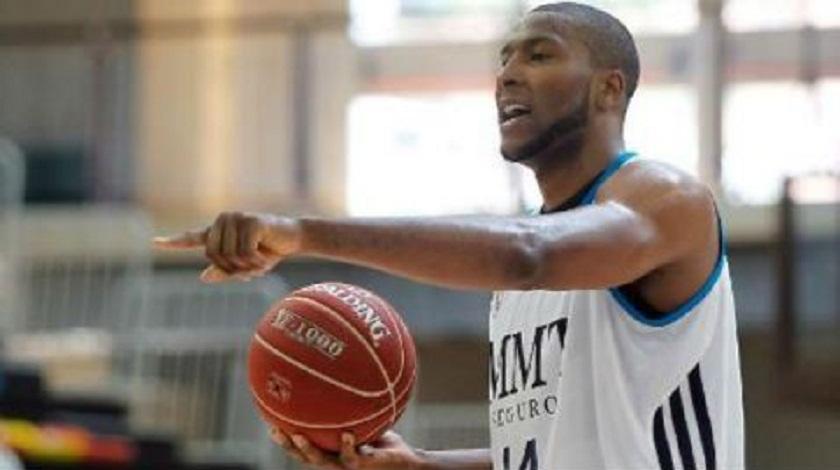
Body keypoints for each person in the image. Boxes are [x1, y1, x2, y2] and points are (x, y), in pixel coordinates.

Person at [155, 2, 744, 469]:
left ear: (609, 89)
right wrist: (425, 465)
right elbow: (551, 453)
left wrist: (302, 232)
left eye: (539, 56)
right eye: (504, 60)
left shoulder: (667, 201)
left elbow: (529, 255)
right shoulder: (518, 281)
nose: (508, 75)